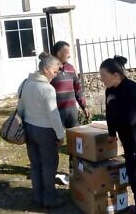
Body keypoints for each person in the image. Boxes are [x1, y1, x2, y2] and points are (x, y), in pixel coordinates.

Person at [100, 56, 136, 214]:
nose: (102, 80)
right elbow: (110, 114)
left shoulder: (132, 89)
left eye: (104, 76)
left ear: (115, 75)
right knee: (133, 176)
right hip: (129, 142)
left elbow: (130, 118)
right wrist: (111, 133)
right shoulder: (110, 90)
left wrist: (115, 107)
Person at [17, 53, 65, 208]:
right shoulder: (47, 89)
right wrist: (60, 134)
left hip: (29, 128)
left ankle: (37, 196)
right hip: (45, 131)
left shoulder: (25, 83)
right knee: (49, 165)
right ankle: (49, 198)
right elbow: (53, 114)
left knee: (35, 164)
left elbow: (20, 108)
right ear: (45, 69)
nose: (56, 75)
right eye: (55, 71)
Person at [51, 41, 90, 176]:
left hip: (71, 112)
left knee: (75, 143)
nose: (69, 55)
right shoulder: (50, 70)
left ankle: (74, 170)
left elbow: (78, 89)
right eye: (67, 52)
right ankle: (51, 171)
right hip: (55, 114)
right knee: (55, 143)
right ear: (58, 53)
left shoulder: (71, 68)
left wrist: (84, 106)